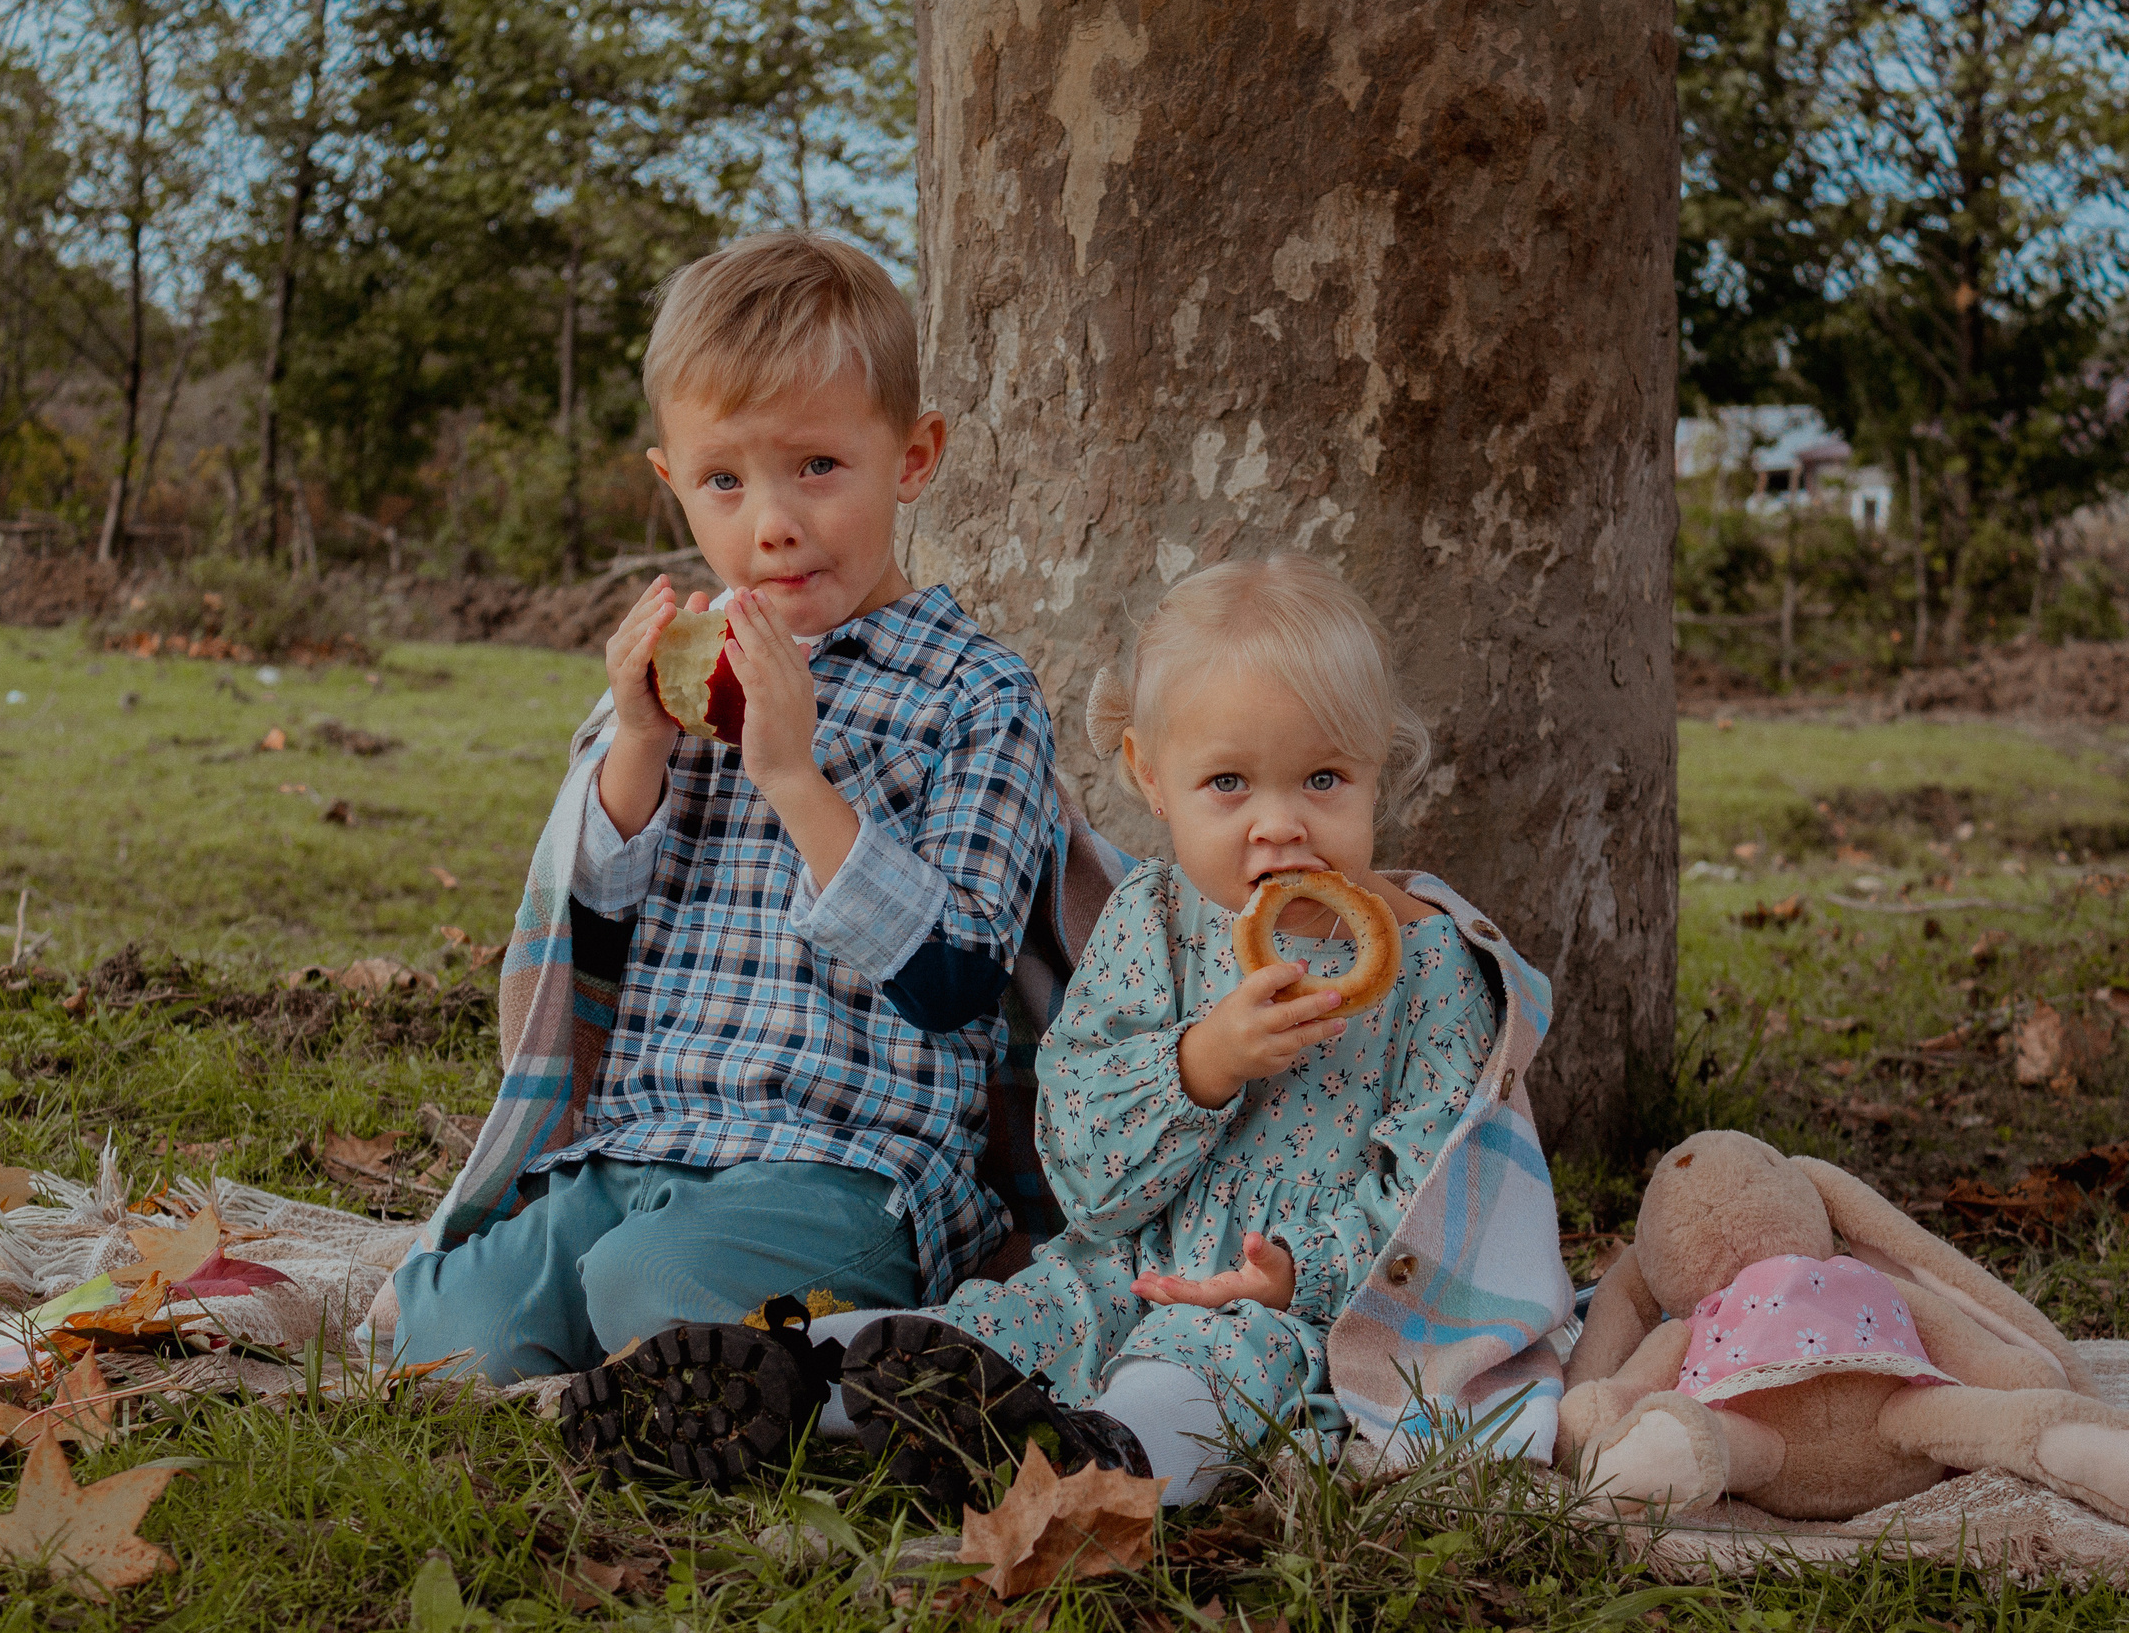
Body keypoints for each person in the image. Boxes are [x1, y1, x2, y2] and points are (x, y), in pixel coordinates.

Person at [386, 233, 1062, 1487]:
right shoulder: (669, 679)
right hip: (638, 1141)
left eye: (818, 465)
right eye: (723, 482)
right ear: (671, 483)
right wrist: (637, 741)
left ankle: (887, 1373)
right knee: (443, 1324)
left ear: (912, 457)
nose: (774, 525)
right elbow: (584, 931)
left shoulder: (975, 695)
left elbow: (961, 976)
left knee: (651, 1283)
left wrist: (797, 776)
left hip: (844, 1167)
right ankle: (688, 1379)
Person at [795, 554, 1571, 1508]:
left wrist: (1297, 1272)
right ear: (1152, 781)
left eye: (1323, 777)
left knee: (1197, 1377)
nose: (1279, 824)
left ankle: (1094, 1459)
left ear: (1378, 769)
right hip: (1112, 1267)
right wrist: (1201, 1065)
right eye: (1229, 783)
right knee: (995, 1325)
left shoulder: (1431, 971)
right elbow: (1080, 1165)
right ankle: (795, 1377)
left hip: (1273, 1311)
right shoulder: (1148, 921)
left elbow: (1434, 1201)